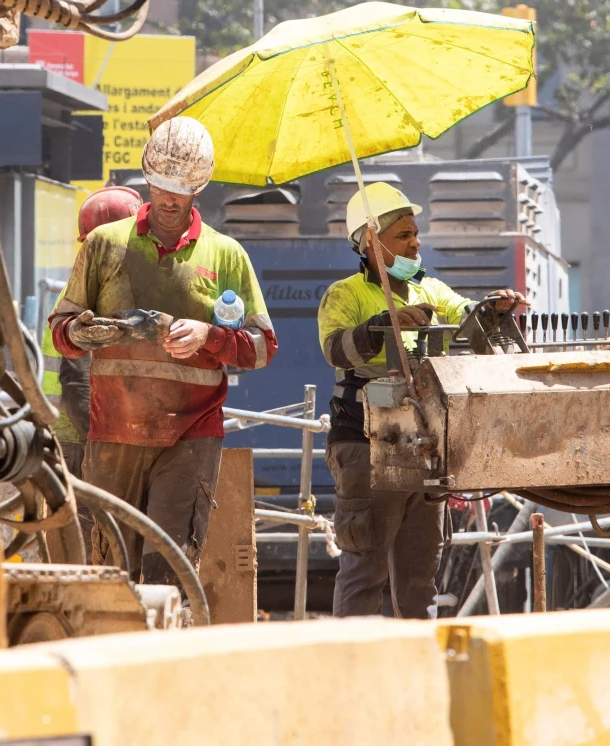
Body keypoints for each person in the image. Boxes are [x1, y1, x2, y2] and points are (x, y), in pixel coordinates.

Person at [49, 116, 277, 594]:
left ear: (200, 187)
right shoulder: (105, 245)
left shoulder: (226, 255)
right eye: (161, 187)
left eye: (183, 190)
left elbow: (262, 348)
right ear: (147, 179)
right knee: (112, 582)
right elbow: (60, 332)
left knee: (168, 579)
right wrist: (83, 333)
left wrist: (209, 336)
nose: (171, 199)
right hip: (114, 436)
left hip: (191, 437)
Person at [316, 182, 525, 619]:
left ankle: (417, 658)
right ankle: (353, 658)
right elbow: (336, 350)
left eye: (416, 234)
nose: (415, 243)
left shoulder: (431, 291)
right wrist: (382, 325)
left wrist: (492, 311)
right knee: (365, 571)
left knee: (418, 582)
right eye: (404, 235)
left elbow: (465, 314)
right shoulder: (345, 295)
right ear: (372, 241)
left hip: (425, 448)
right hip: (366, 445)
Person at [40, 186, 144, 564]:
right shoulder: (92, 300)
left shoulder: (88, 293)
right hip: (82, 446)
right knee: (91, 557)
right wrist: (111, 452)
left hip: (73, 441)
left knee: (90, 554)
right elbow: (79, 388)